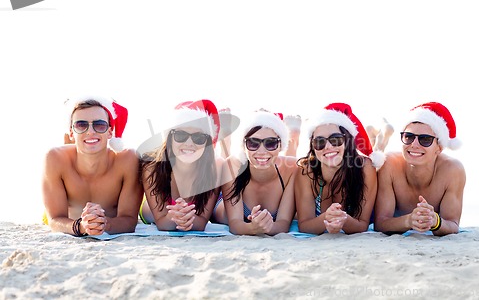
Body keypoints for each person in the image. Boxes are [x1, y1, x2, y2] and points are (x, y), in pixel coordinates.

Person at [42, 96, 143, 236]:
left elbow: (129, 220)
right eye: (81, 125)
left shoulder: (128, 159)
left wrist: (105, 224)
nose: (90, 131)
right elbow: (54, 220)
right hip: (71, 222)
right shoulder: (55, 158)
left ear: (110, 132)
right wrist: (81, 226)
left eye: (99, 125)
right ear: (71, 133)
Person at [138, 99, 234, 231]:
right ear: (169, 138)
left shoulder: (216, 167)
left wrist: (185, 218)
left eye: (198, 138)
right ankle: (224, 140)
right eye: (181, 135)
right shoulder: (151, 166)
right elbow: (162, 223)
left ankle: (225, 142)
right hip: (160, 208)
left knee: (222, 215)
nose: (189, 143)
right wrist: (175, 216)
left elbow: (200, 224)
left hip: (197, 208)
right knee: (149, 213)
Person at [374, 102, 465, 236]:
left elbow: (453, 224)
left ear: (439, 148)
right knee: (370, 165)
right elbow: (380, 223)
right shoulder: (390, 165)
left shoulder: (452, 170)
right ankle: (376, 142)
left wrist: (436, 221)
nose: (414, 145)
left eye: (425, 139)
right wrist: (408, 221)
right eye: (408, 137)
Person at [294, 103, 385, 235]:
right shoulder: (307, 171)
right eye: (320, 142)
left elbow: (362, 225)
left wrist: (343, 220)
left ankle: (380, 139)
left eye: (335, 139)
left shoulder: (365, 168)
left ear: (347, 141)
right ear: (313, 146)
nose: (328, 146)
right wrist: (327, 218)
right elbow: (305, 225)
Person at [212, 109, 297, 236]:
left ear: (281, 145)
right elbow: (235, 224)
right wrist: (253, 228)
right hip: (225, 205)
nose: (262, 151)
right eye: (253, 143)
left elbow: (283, 223)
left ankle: (295, 135)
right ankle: (226, 140)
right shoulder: (231, 166)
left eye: (271, 143)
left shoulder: (291, 169)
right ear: (244, 146)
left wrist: (267, 227)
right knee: (228, 163)